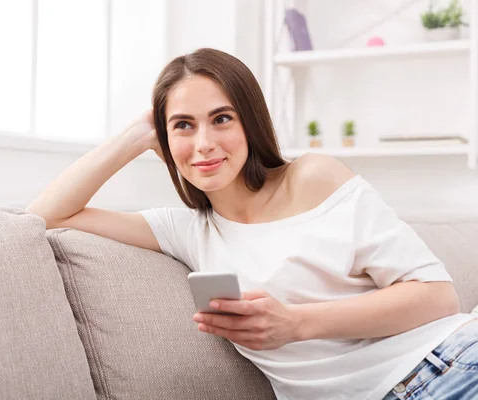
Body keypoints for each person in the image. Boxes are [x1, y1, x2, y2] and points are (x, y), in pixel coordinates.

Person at [27, 48, 478, 400]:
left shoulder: (312, 177)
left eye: (221, 119)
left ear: (251, 122)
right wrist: (140, 133)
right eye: (183, 125)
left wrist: (297, 324)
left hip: (449, 366)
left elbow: (438, 297)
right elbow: (45, 215)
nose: (204, 144)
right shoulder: (186, 230)